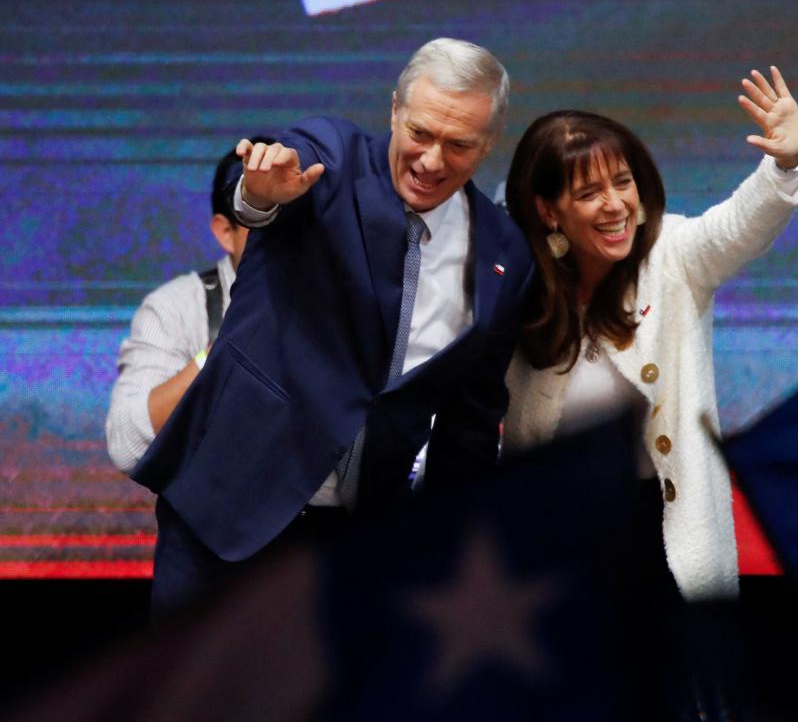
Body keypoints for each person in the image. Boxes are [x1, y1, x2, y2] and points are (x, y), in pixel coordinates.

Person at [132, 38, 536, 612]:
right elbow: (267, 190)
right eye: (420, 132)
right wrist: (258, 194)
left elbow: (469, 425)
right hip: (231, 507)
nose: (432, 161)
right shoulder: (331, 158)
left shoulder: (505, 254)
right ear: (395, 109)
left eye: (460, 145)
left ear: (490, 142)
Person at [501, 67, 798, 600]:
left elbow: (740, 224)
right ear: (548, 211)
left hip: (658, 535)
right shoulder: (516, 280)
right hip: (550, 542)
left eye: (622, 183)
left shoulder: (675, 254)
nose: (616, 204)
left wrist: (785, 164)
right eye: (589, 192)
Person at [106, 139, 273, 474]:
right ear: (225, 232)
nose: (284, 244)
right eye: (263, 224)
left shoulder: (347, 300)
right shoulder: (175, 308)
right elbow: (125, 445)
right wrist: (219, 355)